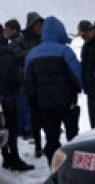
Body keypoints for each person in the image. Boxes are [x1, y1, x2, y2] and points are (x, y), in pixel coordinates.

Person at [24, 16, 82, 165]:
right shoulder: (65, 52)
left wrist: (34, 101)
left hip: (45, 105)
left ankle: (54, 166)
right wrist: (78, 89)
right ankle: (74, 164)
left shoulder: (32, 54)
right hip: (66, 103)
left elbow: (28, 82)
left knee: (51, 138)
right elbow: (77, 76)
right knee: (72, 136)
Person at [0, 23, 33, 171]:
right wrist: (19, 83)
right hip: (7, 92)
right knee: (11, 126)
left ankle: (6, 157)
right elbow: (9, 72)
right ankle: (14, 158)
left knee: (2, 125)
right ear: (1, 32)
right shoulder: (2, 48)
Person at [17, 12, 45, 156]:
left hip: (43, 82)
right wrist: (33, 53)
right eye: (36, 25)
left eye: (40, 25)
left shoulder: (45, 39)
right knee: (32, 112)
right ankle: (35, 141)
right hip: (28, 81)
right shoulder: (22, 40)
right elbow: (16, 57)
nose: (39, 28)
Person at [77, 20, 95, 129]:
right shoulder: (85, 47)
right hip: (91, 91)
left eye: (85, 34)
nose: (84, 37)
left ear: (92, 31)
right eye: (82, 35)